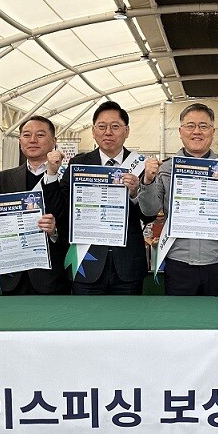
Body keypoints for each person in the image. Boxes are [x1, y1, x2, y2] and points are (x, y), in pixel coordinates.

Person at [138, 103, 218, 296]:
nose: (197, 132)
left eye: (203, 126)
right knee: (180, 315)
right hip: (179, 262)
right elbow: (149, 210)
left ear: (212, 131)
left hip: (217, 262)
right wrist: (148, 181)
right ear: (180, 131)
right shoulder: (165, 168)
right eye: (190, 126)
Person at [69, 102, 153, 295]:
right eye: (102, 126)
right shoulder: (78, 164)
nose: (108, 132)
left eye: (115, 126)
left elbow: (148, 216)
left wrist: (135, 194)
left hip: (128, 265)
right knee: (85, 314)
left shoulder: (142, 165)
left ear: (127, 131)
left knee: (125, 314)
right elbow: (65, 208)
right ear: (93, 131)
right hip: (86, 263)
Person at [0, 115, 67, 295]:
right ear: (20, 141)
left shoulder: (66, 177)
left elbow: (68, 218)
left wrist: (54, 231)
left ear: (54, 141)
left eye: (40, 135)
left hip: (50, 274)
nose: (32, 140)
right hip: (13, 272)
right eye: (26, 135)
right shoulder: (5, 177)